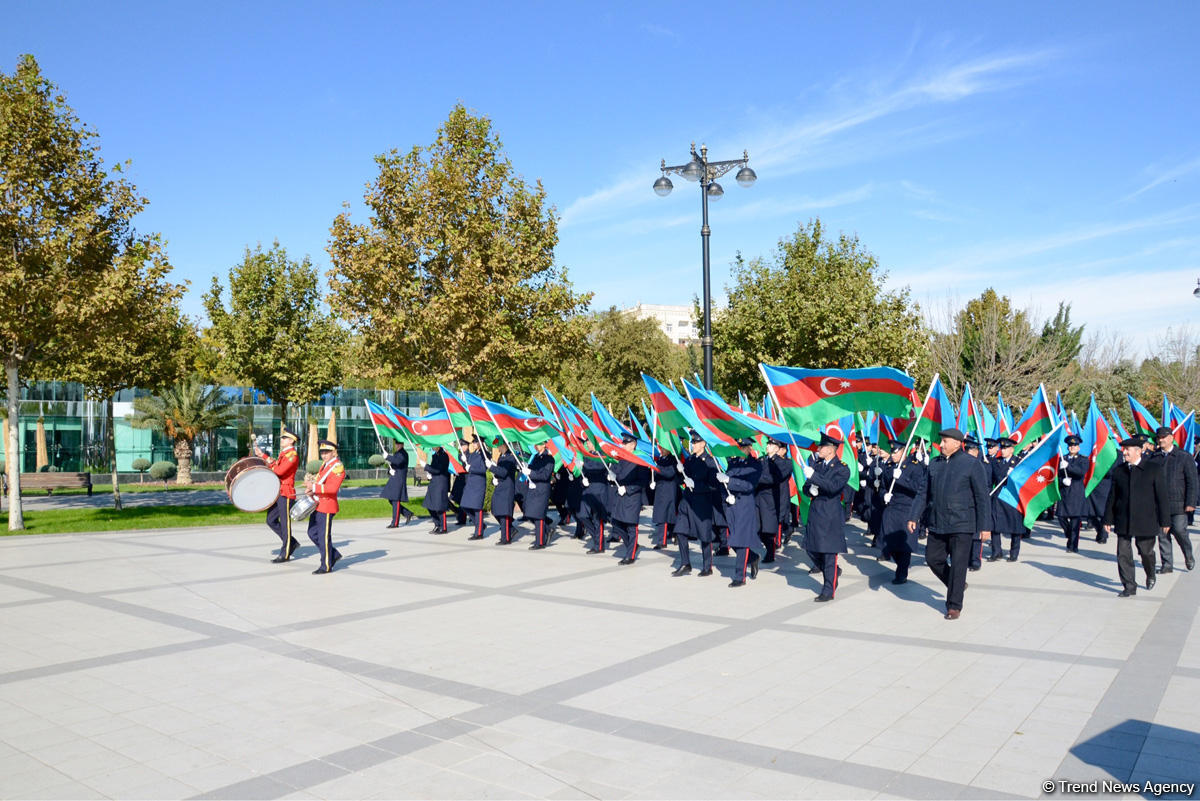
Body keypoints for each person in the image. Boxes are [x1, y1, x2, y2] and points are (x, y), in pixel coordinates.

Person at [909, 428, 992, 620]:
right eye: (941, 441)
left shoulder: (971, 464)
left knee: (958, 565)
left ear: (957, 443)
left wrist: (985, 526)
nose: (941, 445)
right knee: (933, 558)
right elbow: (923, 493)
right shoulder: (935, 464)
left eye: (945, 441)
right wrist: (914, 516)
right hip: (938, 521)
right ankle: (956, 584)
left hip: (962, 523)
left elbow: (982, 497)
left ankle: (954, 605)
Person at [1104, 436, 1170, 596]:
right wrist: (1107, 518)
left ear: (1138, 451)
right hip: (1123, 518)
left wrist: (1165, 520)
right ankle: (1129, 586)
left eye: (1127, 450)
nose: (1124, 452)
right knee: (1123, 554)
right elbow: (1112, 496)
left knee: (1146, 552)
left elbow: (1162, 497)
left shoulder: (1153, 469)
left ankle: (1151, 573)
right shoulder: (1120, 470)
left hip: (1146, 518)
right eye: (1124, 449)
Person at [802, 433, 851, 602]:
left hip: (830, 516)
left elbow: (833, 487)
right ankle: (834, 572)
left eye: (821, 447)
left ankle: (828, 590)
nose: (818, 449)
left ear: (831, 449)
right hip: (816, 513)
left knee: (829, 554)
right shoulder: (817, 465)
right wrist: (810, 489)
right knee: (810, 549)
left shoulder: (842, 468)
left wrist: (814, 477)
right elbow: (805, 487)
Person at [879, 438, 926, 584]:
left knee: (904, 544)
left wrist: (902, 478)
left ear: (904, 452)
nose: (892, 454)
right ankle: (900, 565)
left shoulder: (915, 466)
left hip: (907, 508)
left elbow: (918, 487)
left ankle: (902, 573)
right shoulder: (889, 466)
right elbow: (883, 486)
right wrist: (883, 495)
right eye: (891, 451)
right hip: (892, 508)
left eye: (895, 451)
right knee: (888, 542)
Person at [673, 432, 719, 577]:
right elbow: (682, 479)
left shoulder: (710, 462)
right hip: (687, 501)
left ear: (703, 444)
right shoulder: (690, 459)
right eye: (692, 442)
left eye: (695, 442)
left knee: (704, 536)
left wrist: (697, 485)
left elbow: (713, 485)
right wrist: (679, 471)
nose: (692, 445)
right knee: (680, 531)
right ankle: (685, 563)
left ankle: (707, 566)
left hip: (702, 504)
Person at [1151, 426, 1197, 573]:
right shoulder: (1154, 457)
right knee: (1162, 534)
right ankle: (1167, 564)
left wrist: (1190, 502)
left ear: (1171, 438)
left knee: (1179, 530)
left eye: (1164, 437)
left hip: (1178, 503)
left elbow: (1192, 481)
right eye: (1159, 438)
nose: (1161, 440)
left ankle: (1188, 556)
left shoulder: (1183, 456)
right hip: (1159, 504)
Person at [256, 426, 302, 562]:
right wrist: (262, 455)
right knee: (270, 520)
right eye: (282, 437)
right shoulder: (284, 453)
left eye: (284, 438)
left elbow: (279, 471)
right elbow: (276, 465)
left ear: (291, 441)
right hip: (279, 492)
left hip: (286, 493)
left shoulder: (292, 455)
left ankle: (285, 553)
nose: (282, 439)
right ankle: (291, 542)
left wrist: (270, 465)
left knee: (285, 524)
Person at [724, 438, 764, 587]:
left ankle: (739, 577)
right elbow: (726, 483)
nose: (739, 449)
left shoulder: (755, 465)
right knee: (732, 538)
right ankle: (753, 557)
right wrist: (726, 493)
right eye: (738, 446)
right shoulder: (733, 463)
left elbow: (749, 485)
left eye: (742, 447)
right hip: (732, 504)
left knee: (740, 541)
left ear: (749, 448)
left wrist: (730, 481)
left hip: (745, 505)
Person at [305, 439, 345, 574]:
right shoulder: (325, 465)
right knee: (312, 533)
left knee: (323, 536)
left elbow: (332, 489)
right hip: (318, 503)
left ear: (334, 452)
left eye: (327, 452)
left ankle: (326, 565)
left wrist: (314, 487)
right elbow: (320, 482)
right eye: (322, 452)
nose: (324, 455)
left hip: (327, 505)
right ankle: (333, 554)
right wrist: (311, 490)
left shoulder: (337, 467)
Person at [610, 434, 651, 564]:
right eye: (623, 443)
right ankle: (632, 546)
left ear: (633, 445)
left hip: (632, 497)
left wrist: (628, 489)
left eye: (626, 443)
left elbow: (643, 481)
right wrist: (612, 475)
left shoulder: (640, 460)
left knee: (631, 526)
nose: (623, 445)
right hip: (621, 496)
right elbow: (618, 473)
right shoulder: (622, 458)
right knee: (616, 522)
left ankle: (630, 556)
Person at [988, 438, 1025, 561]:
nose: (1002, 451)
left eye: (1005, 448)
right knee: (995, 525)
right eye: (1002, 448)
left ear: (1012, 449)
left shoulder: (1019, 463)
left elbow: (1023, 482)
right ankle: (996, 551)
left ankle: (1014, 553)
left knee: (1015, 526)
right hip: (998, 497)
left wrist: (1015, 475)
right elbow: (991, 479)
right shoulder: (996, 461)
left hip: (1012, 498)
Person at [756, 439, 791, 564]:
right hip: (758, 498)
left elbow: (775, 478)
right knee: (757, 528)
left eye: (771, 444)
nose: (768, 446)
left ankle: (770, 553)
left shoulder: (783, 463)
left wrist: (757, 478)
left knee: (768, 530)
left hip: (771, 500)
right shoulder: (761, 460)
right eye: (768, 444)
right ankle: (769, 550)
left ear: (777, 448)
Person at [1057, 435, 1089, 552]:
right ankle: (1069, 534)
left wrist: (1068, 467)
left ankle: (1073, 546)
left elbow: (1081, 472)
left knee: (1075, 521)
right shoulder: (1062, 459)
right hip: (1065, 493)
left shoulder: (1083, 459)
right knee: (1061, 517)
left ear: (1078, 447)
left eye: (1075, 445)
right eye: (1070, 446)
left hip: (1076, 493)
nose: (1072, 447)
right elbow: (1057, 476)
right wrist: (1062, 481)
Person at [525, 441, 556, 549]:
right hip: (534, 489)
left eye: (538, 444)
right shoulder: (535, 457)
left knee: (538, 516)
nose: (536, 446)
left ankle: (540, 542)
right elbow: (531, 469)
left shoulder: (549, 459)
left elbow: (545, 475)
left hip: (542, 490)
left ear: (544, 445)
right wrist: (526, 469)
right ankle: (547, 529)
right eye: (536, 444)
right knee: (529, 513)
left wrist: (531, 473)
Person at [578, 456, 611, 553]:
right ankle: (597, 538)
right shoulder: (587, 455)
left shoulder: (601, 455)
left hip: (599, 490)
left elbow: (598, 468)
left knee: (598, 519)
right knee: (582, 515)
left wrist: (584, 464)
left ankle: (599, 546)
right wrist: (582, 480)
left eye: (589, 442)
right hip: (588, 490)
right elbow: (583, 473)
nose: (588, 443)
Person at [489, 440, 519, 544]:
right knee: (495, 510)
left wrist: (491, 467)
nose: (498, 447)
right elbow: (499, 472)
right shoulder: (501, 457)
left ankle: (505, 538)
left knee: (504, 513)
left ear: (505, 445)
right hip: (500, 487)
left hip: (507, 488)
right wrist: (495, 479)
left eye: (499, 445)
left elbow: (504, 472)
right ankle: (510, 529)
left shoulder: (511, 457)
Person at [651, 448, 681, 550]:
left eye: (664, 448)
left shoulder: (673, 460)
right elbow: (656, 473)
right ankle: (664, 539)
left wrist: (656, 468)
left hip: (669, 490)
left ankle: (664, 540)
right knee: (662, 515)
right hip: (660, 490)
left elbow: (670, 473)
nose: (662, 449)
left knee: (666, 515)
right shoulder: (660, 459)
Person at [459, 437, 488, 539]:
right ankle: (480, 524)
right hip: (471, 483)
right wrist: (462, 458)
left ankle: (479, 533)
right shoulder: (474, 453)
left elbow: (483, 469)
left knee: (477, 508)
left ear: (480, 443)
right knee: (464, 505)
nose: (473, 444)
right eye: (473, 442)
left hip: (479, 483)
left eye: (475, 442)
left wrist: (471, 468)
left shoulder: (485, 454)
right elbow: (466, 463)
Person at [382, 440, 413, 528]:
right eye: (396, 444)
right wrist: (389, 471)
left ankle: (395, 523)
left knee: (395, 500)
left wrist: (387, 456)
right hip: (394, 478)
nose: (397, 445)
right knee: (391, 499)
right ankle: (407, 513)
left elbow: (398, 461)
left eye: (399, 444)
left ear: (402, 444)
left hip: (399, 479)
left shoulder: (403, 453)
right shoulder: (397, 453)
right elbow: (394, 464)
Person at [423, 446, 451, 533]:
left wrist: (426, 467)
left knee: (440, 506)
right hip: (434, 482)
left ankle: (444, 527)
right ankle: (437, 524)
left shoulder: (444, 456)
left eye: (433, 445)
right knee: (429, 504)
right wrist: (429, 473)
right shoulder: (434, 456)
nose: (432, 447)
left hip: (441, 483)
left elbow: (439, 470)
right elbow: (433, 468)